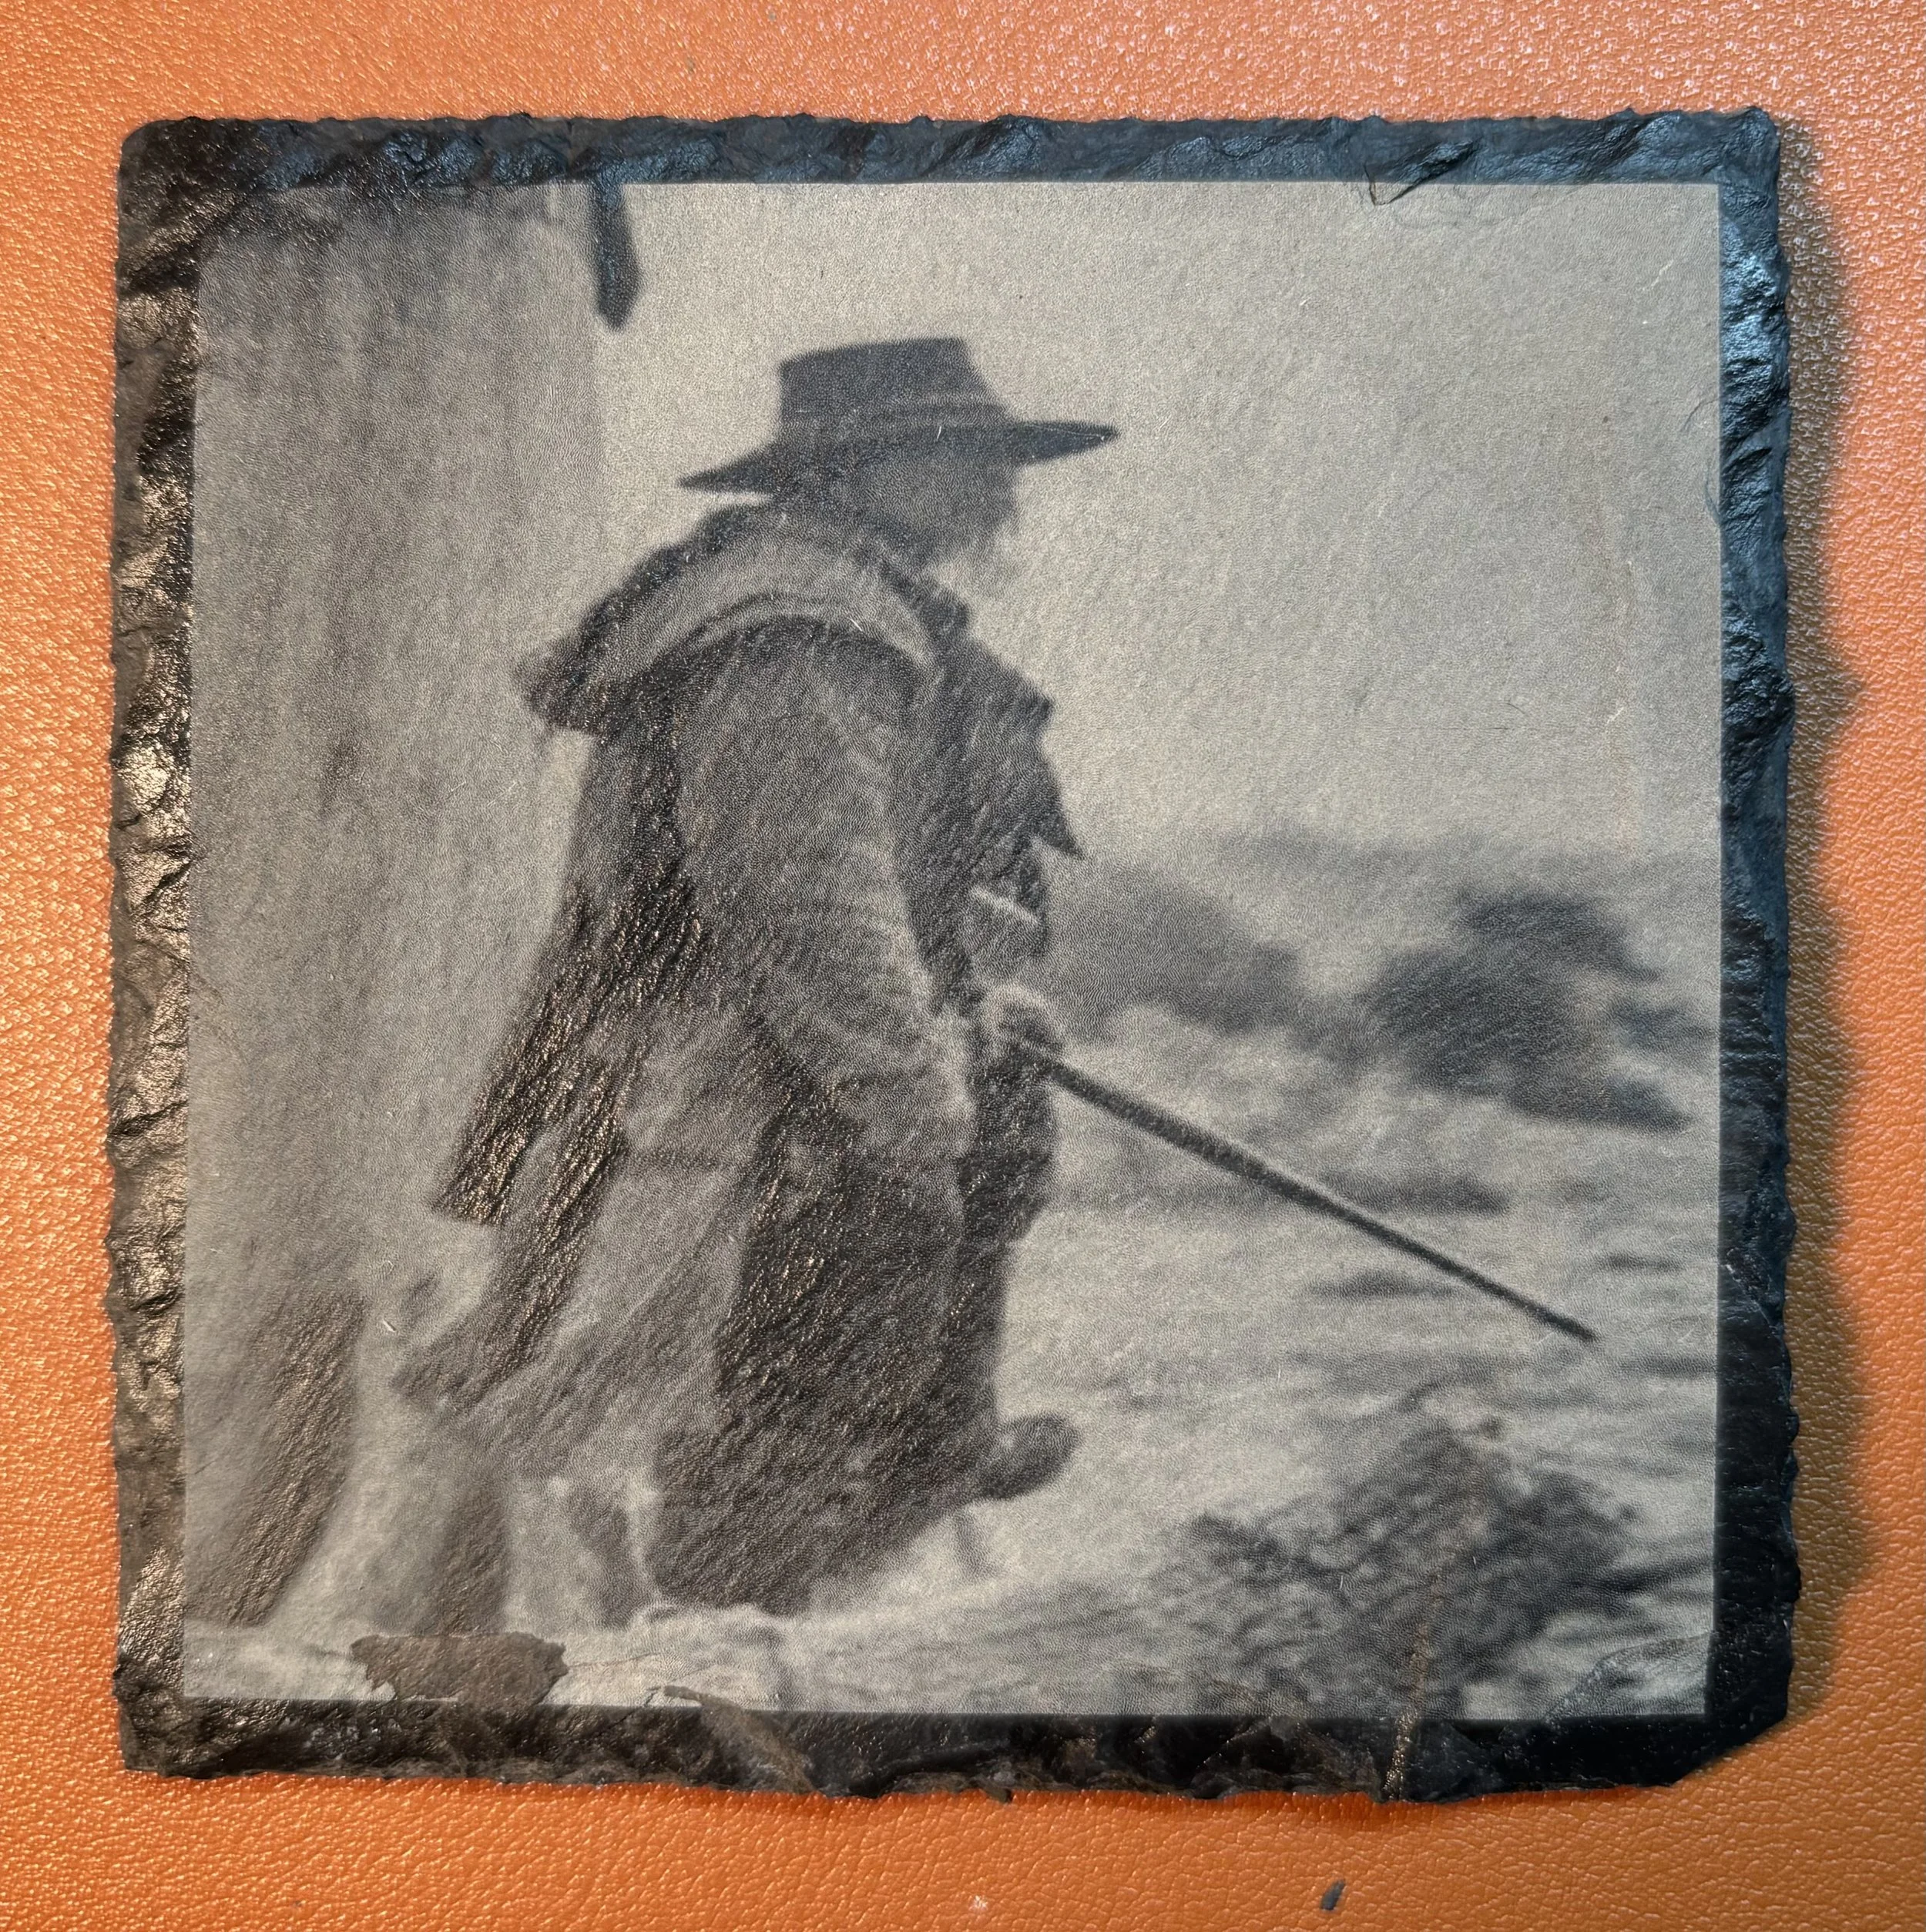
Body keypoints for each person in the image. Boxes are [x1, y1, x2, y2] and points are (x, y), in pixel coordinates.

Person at [397, 338, 1116, 1619]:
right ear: (862, 469)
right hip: (729, 1072)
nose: (999, 487)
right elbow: (799, 891)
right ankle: (730, 1613)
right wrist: (905, 1075)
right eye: (965, 456)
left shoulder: (834, 597)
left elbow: (866, 873)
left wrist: (963, 1004)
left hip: (773, 1044)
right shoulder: (801, 623)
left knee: (989, 1146)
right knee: (814, 1323)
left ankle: (931, 1452)